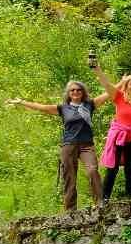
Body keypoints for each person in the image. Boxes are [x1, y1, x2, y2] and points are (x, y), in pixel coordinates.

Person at [6, 79, 102, 211]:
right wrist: (21, 102)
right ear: (68, 93)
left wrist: (123, 83)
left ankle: (100, 204)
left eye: (78, 90)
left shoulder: (90, 105)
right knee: (69, 177)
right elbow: (42, 107)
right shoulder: (63, 108)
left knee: (92, 170)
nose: (75, 92)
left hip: (87, 145)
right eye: (72, 90)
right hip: (69, 145)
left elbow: (109, 94)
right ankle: (70, 210)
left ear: (83, 92)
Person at [90, 60, 131, 202]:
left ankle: (130, 199)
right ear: (126, 86)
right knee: (112, 168)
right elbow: (107, 85)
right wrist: (98, 70)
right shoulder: (119, 97)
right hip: (118, 137)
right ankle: (104, 198)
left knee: (130, 169)